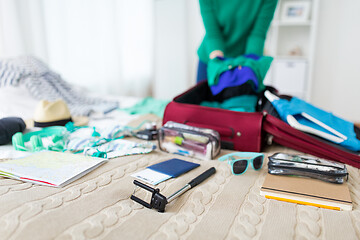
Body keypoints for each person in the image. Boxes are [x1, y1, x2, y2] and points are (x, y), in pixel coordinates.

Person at [197, 0, 278, 83]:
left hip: (246, 59)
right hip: (213, 57)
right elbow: (213, 34)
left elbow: (257, 34)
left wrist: (249, 64)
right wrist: (219, 63)